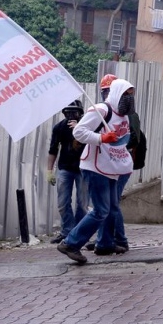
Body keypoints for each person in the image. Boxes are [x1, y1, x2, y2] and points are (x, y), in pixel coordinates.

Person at [56, 79, 136, 264]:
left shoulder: (123, 115)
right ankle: (70, 243)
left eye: (132, 94)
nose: (130, 98)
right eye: (126, 94)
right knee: (101, 210)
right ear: (116, 93)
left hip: (112, 167)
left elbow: (122, 142)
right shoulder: (101, 110)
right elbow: (79, 132)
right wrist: (101, 138)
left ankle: (106, 244)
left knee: (110, 208)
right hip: (95, 167)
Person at [85, 74, 141, 253]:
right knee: (107, 206)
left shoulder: (127, 114)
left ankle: (118, 240)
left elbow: (133, 139)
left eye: (110, 91)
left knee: (111, 205)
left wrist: (114, 141)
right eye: (104, 92)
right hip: (105, 163)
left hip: (120, 164)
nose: (107, 95)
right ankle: (105, 240)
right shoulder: (103, 110)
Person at [47, 100, 88, 244]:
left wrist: (79, 129)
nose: (71, 116)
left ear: (80, 113)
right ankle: (67, 231)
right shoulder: (59, 127)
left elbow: (94, 142)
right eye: (68, 113)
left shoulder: (86, 126)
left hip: (84, 168)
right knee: (63, 202)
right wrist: (49, 171)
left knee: (83, 203)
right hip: (65, 168)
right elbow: (53, 149)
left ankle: (80, 232)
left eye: (74, 113)